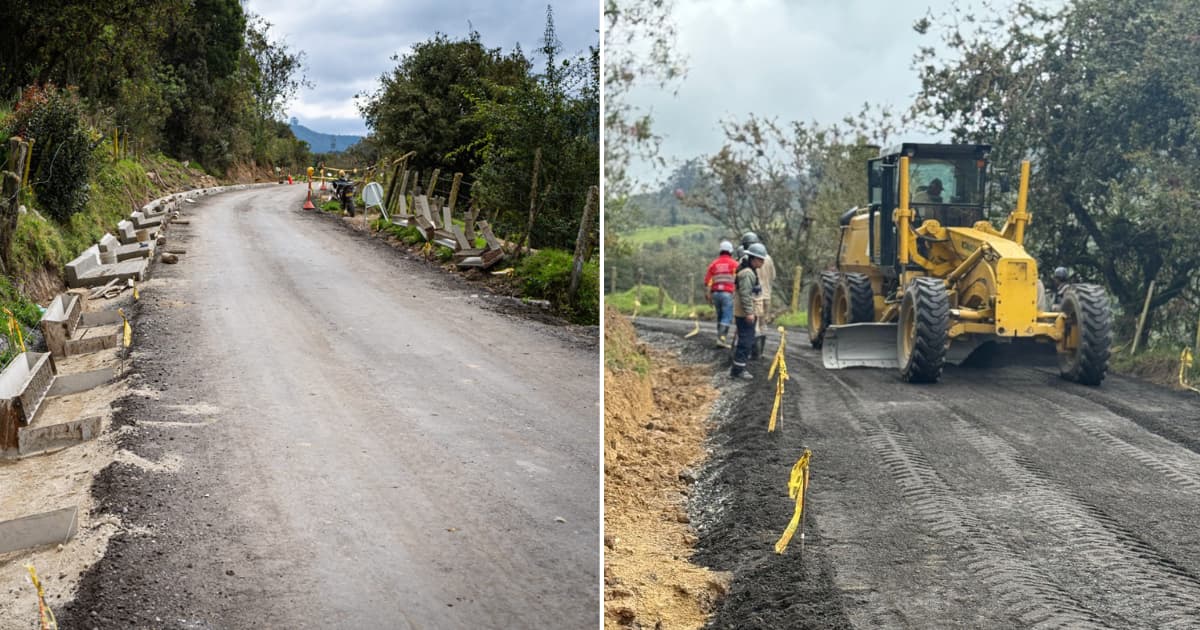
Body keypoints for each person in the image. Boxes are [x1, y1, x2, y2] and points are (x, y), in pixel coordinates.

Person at [731, 243, 768, 379]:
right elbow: (746, 295)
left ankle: (738, 368)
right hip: (745, 313)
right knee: (745, 341)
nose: (763, 262)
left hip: (746, 312)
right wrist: (749, 313)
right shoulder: (747, 274)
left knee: (747, 339)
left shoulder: (750, 271)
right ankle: (738, 370)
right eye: (760, 259)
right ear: (753, 259)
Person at [740, 232, 776, 358]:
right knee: (763, 324)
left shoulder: (746, 259)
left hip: (755, 297)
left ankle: (753, 352)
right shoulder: (768, 258)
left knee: (753, 326)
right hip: (766, 295)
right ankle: (760, 352)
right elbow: (773, 277)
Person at [704, 240, 738, 347]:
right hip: (727, 293)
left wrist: (708, 296)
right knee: (727, 316)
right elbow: (738, 279)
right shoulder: (734, 264)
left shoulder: (713, 264)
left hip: (715, 294)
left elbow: (708, 282)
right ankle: (721, 339)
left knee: (720, 316)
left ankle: (720, 338)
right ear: (730, 252)